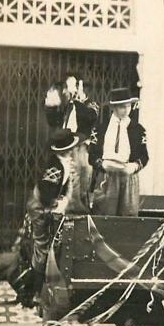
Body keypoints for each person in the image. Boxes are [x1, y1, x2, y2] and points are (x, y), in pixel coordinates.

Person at [20, 129, 80, 306]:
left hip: (47, 207)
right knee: (42, 249)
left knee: (46, 248)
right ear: (65, 150)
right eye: (71, 149)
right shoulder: (55, 165)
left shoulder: (64, 163)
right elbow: (46, 193)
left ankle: (37, 289)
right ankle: (33, 293)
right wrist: (58, 202)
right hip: (40, 208)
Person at [43, 75, 99, 214]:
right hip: (64, 147)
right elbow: (53, 121)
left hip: (80, 148)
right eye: (67, 88)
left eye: (71, 87)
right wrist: (50, 105)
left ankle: (78, 210)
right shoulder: (65, 105)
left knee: (80, 181)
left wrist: (78, 101)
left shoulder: (89, 105)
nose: (68, 91)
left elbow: (90, 117)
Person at [89, 87, 148, 216]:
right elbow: (92, 154)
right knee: (104, 213)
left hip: (128, 177)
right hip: (107, 176)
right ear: (113, 108)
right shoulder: (100, 129)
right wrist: (102, 164)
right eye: (122, 107)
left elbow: (144, 156)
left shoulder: (138, 130)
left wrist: (134, 166)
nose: (126, 110)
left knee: (128, 216)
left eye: (129, 106)